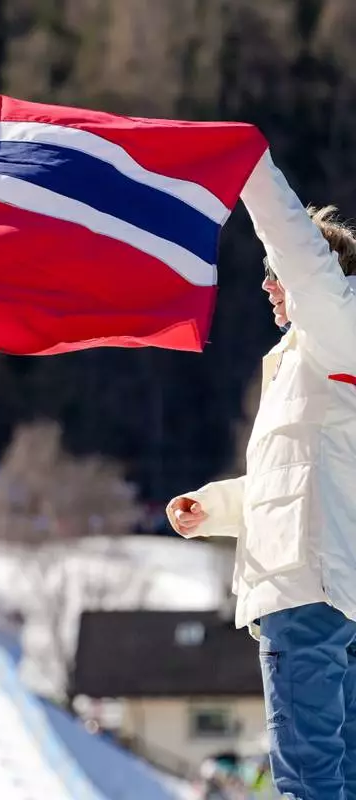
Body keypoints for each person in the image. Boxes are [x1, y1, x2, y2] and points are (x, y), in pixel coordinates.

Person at [166, 151, 356, 799]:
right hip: (334, 590)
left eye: (276, 276)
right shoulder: (311, 368)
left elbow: (300, 254)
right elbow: (291, 484)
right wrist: (213, 508)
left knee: (308, 774)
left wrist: (251, 168)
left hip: (309, 589)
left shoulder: (339, 334)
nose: (268, 286)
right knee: (340, 771)